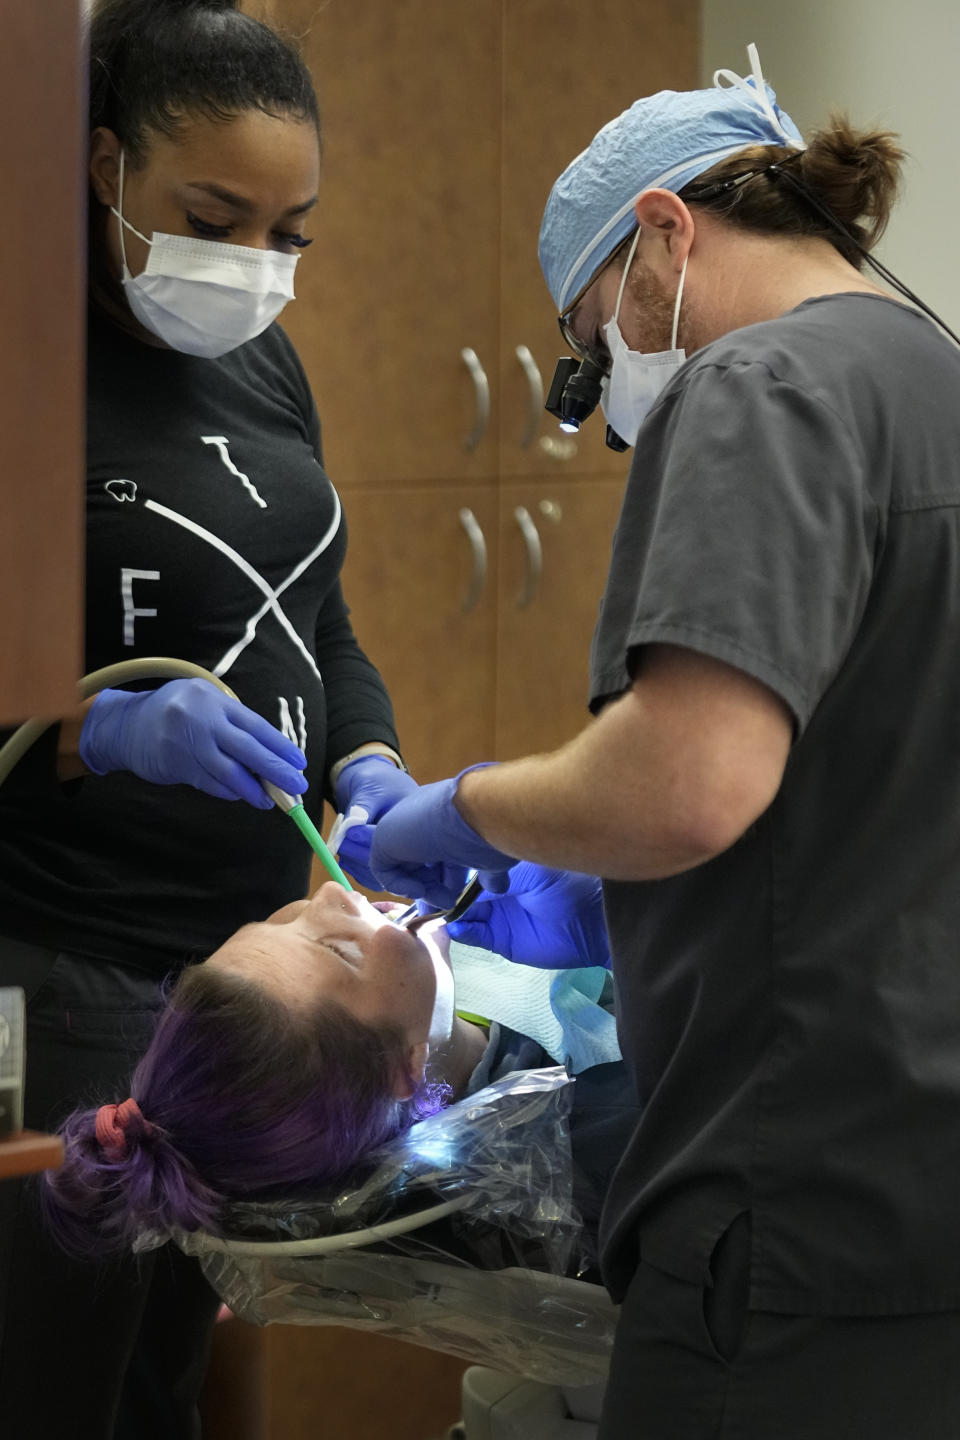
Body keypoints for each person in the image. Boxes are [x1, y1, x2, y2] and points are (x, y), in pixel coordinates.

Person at [344, 46, 960, 1440]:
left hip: (791, 1210)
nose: (597, 384)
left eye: (586, 341)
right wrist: (612, 898)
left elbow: (688, 780)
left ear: (664, 235)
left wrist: (472, 807)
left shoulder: (760, 386)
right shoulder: (931, 374)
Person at [0, 3, 418, 1437]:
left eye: (290, 230)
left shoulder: (263, 363)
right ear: (108, 163)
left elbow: (321, 616)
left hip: (237, 967)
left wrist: (365, 751)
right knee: (55, 1372)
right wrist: (93, 727)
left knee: (167, 1377)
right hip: (74, 962)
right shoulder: (26, 356)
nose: (252, 264)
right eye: (211, 214)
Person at [41, 878, 634, 1271]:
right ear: (402, 1068)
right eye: (339, 951)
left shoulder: (442, 997)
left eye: (279, 923)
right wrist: (639, 920)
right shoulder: (595, 1143)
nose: (327, 893)